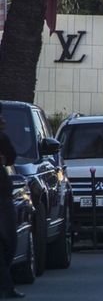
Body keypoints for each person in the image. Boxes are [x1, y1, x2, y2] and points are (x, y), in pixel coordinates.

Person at [0, 103, 25, 299]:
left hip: (4, 197)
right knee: (6, 241)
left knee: (9, 241)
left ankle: (6, 284)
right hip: (2, 199)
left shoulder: (2, 138)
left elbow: (10, 157)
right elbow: (10, 158)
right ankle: (6, 285)